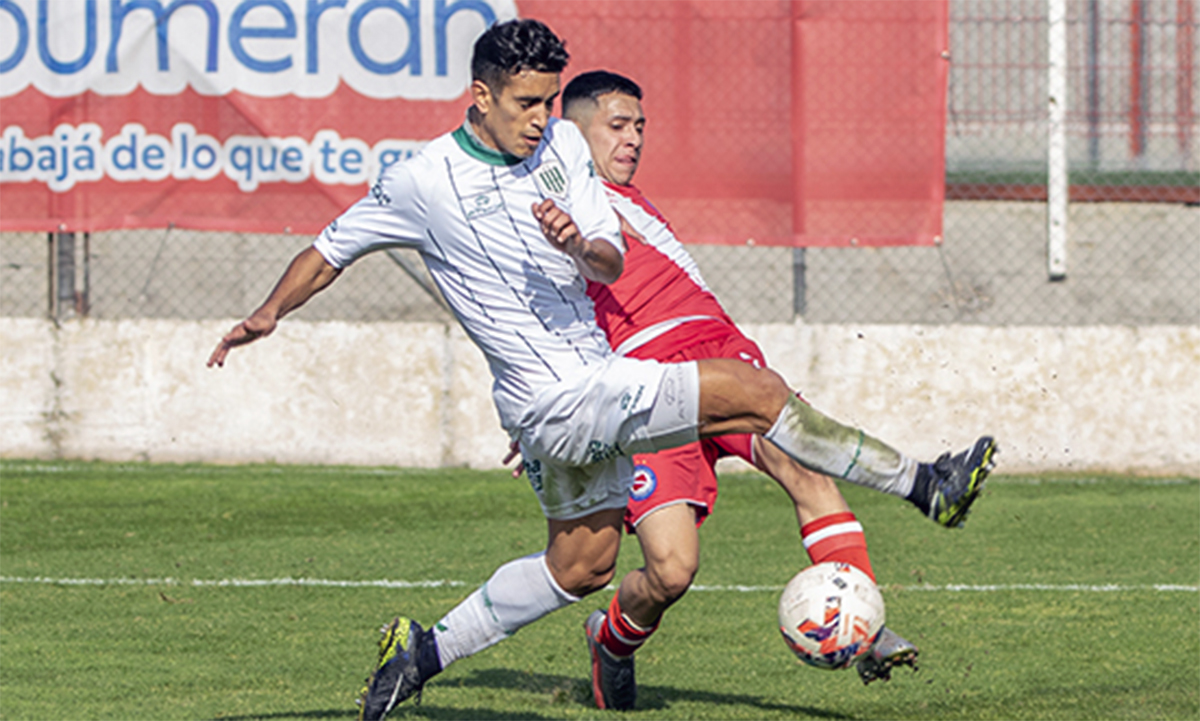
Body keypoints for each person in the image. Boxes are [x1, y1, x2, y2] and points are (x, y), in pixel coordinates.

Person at [207, 20, 995, 721]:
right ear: (479, 96)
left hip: (581, 390)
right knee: (755, 395)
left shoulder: (559, 152)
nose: (540, 120)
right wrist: (270, 311)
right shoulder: (423, 180)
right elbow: (331, 249)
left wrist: (577, 245)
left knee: (580, 566)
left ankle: (420, 653)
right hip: (561, 397)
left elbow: (606, 253)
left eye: (549, 102)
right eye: (525, 104)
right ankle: (926, 483)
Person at [554, 70, 990, 709]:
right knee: (671, 572)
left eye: (640, 126)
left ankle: (862, 623)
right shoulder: (556, 206)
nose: (635, 139)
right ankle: (612, 642)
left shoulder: (630, 199)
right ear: (572, 132)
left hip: (723, 356)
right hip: (649, 391)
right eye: (618, 126)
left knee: (808, 470)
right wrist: (544, 416)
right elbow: (535, 315)